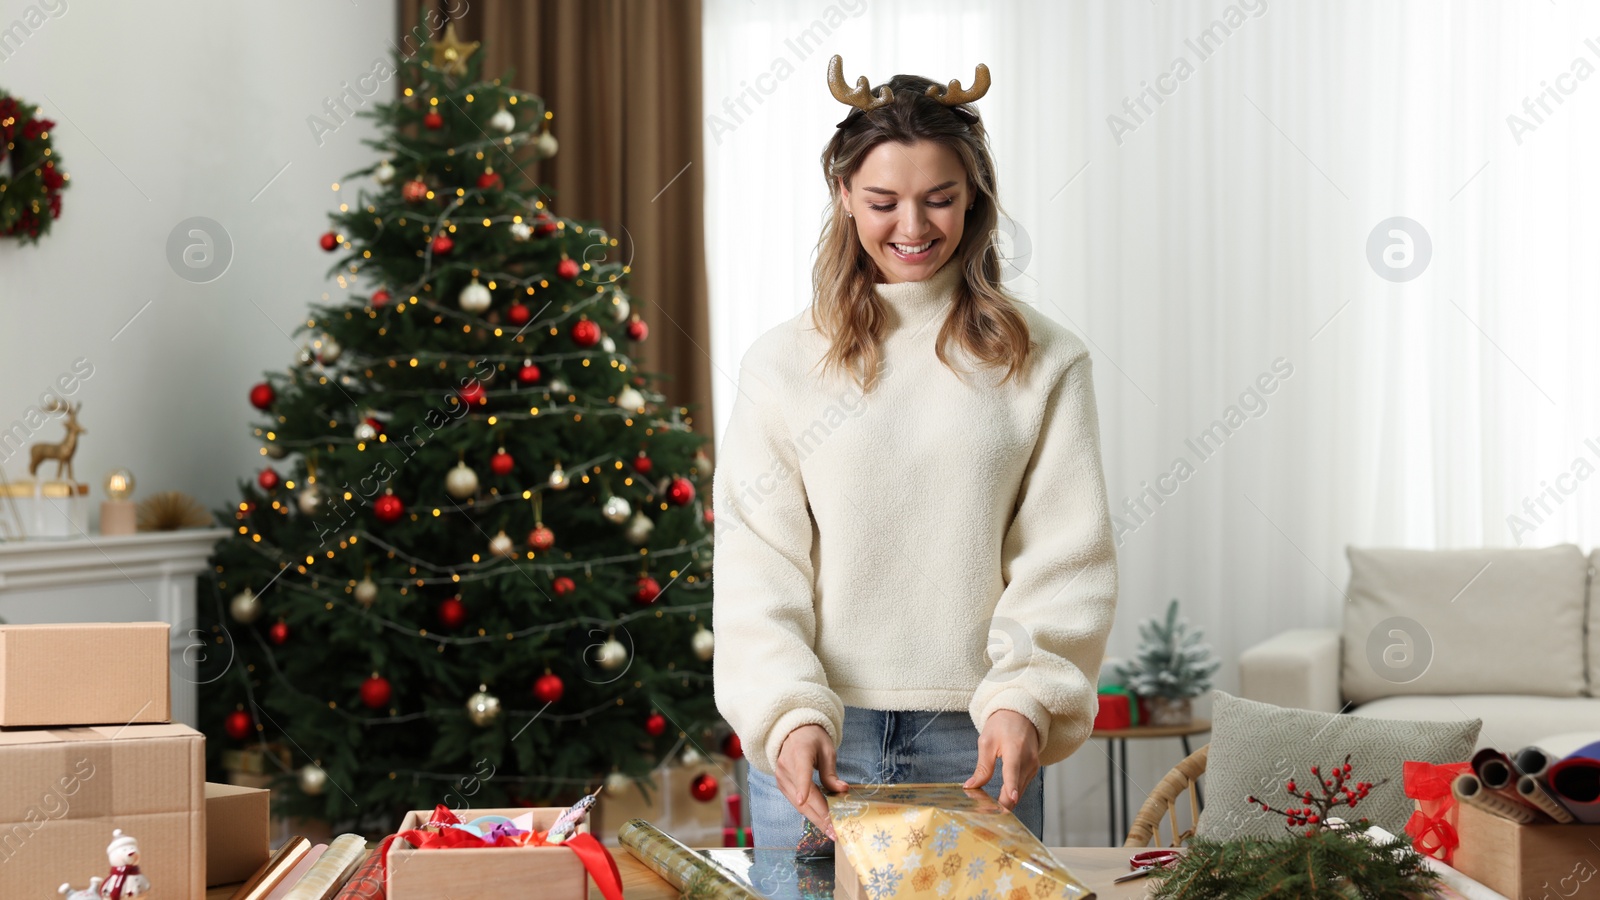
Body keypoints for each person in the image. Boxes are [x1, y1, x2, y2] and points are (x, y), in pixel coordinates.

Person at [711, 55, 1118, 868]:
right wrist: (788, 714)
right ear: (842, 199)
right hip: (819, 738)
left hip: (978, 742)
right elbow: (759, 563)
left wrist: (1027, 699)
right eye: (883, 201)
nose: (913, 227)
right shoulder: (781, 364)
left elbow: (1066, 558)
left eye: (939, 199)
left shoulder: (1045, 360)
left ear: (976, 201)